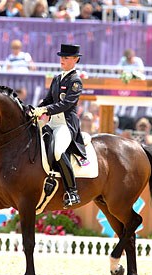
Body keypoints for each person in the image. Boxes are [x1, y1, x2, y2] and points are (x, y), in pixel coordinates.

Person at [32, 43, 87, 209]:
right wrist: (36, 108)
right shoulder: (57, 79)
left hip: (66, 124)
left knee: (57, 150)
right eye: (61, 57)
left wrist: (45, 109)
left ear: (76, 60)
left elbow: (67, 104)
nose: (62, 60)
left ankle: (72, 191)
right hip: (52, 122)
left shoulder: (75, 81)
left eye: (66, 57)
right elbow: (48, 100)